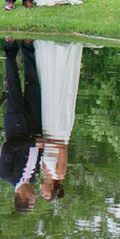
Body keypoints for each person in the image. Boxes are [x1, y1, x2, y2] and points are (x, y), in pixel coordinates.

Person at [34, 39, 83, 203]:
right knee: (58, 98)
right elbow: (63, 148)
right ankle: (62, 57)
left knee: (48, 97)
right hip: (57, 130)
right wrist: (47, 143)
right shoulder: (59, 172)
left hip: (47, 131)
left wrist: (41, 143)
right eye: (45, 194)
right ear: (53, 190)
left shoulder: (44, 170)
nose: (42, 192)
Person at [0, 39, 43, 212]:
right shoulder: (33, 178)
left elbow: (9, 148)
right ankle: (28, 46)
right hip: (35, 127)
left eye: (32, 199)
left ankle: (10, 47)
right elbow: (37, 156)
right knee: (34, 87)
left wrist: (32, 143)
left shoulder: (7, 175)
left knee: (14, 85)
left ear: (23, 197)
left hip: (16, 125)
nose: (35, 196)